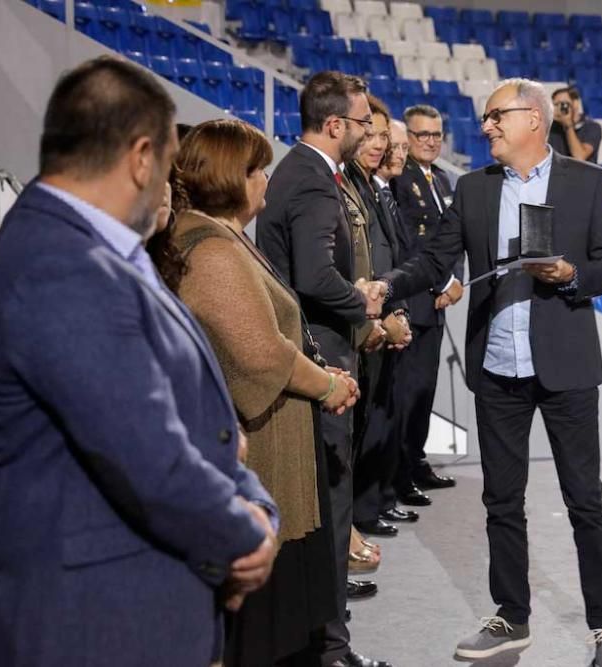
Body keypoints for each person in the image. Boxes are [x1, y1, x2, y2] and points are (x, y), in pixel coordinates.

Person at [0, 56, 279, 667]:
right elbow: (147, 454)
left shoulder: (92, 250)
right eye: (169, 163)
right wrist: (247, 529)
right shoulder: (63, 264)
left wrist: (251, 498)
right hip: (82, 624)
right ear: (142, 156)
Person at [377, 78, 602, 667]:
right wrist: (388, 286)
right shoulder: (472, 189)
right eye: (486, 118)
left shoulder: (588, 182)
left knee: (584, 500)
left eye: (496, 116)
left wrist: (570, 274)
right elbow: (436, 260)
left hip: (566, 367)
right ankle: (510, 617)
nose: (486, 126)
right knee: (501, 501)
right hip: (498, 369)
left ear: (534, 120)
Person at [148, 118, 360, 666]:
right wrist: (329, 384)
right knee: (264, 629)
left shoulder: (219, 237)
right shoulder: (213, 251)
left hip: (270, 438)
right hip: (261, 448)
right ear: (230, 177)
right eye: (258, 170)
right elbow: (261, 352)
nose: (266, 180)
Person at [256, 70, 390, 667]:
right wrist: (360, 299)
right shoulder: (312, 181)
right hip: (322, 361)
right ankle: (332, 649)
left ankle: (318, 642)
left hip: (312, 352)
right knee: (330, 511)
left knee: (318, 507)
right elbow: (314, 278)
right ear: (334, 125)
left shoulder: (300, 171)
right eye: (362, 123)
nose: (368, 133)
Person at [346, 97, 416, 540]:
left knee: (381, 421)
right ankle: (358, 518)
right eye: (370, 133)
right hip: (360, 323)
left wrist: (399, 310)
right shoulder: (350, 187)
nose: (379, 143)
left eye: (383, 136)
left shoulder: (372, 187)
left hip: (386, 315)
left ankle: (368, 510)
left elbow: (393, 255)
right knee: (361, 429)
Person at [389, 104, 461, 506]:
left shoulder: (445, 180)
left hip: (438, 301)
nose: (431, 142)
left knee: (424, 392)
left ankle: (415, 461)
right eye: (422, 135)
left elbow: (454, 235)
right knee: (407, 391)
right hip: (412, 298)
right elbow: (410, 244)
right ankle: (398, 473)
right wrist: (444, 280)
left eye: (436, 135)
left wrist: (457, 280)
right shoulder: (401, 179)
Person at [548, 86, 602, 164]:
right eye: (556, 105)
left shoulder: (592, 127)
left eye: (563, 104)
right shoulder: (552, 128)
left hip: (583, 174)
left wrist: (568, 126)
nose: (559, 109)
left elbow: (579, 157)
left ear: (575, 104)